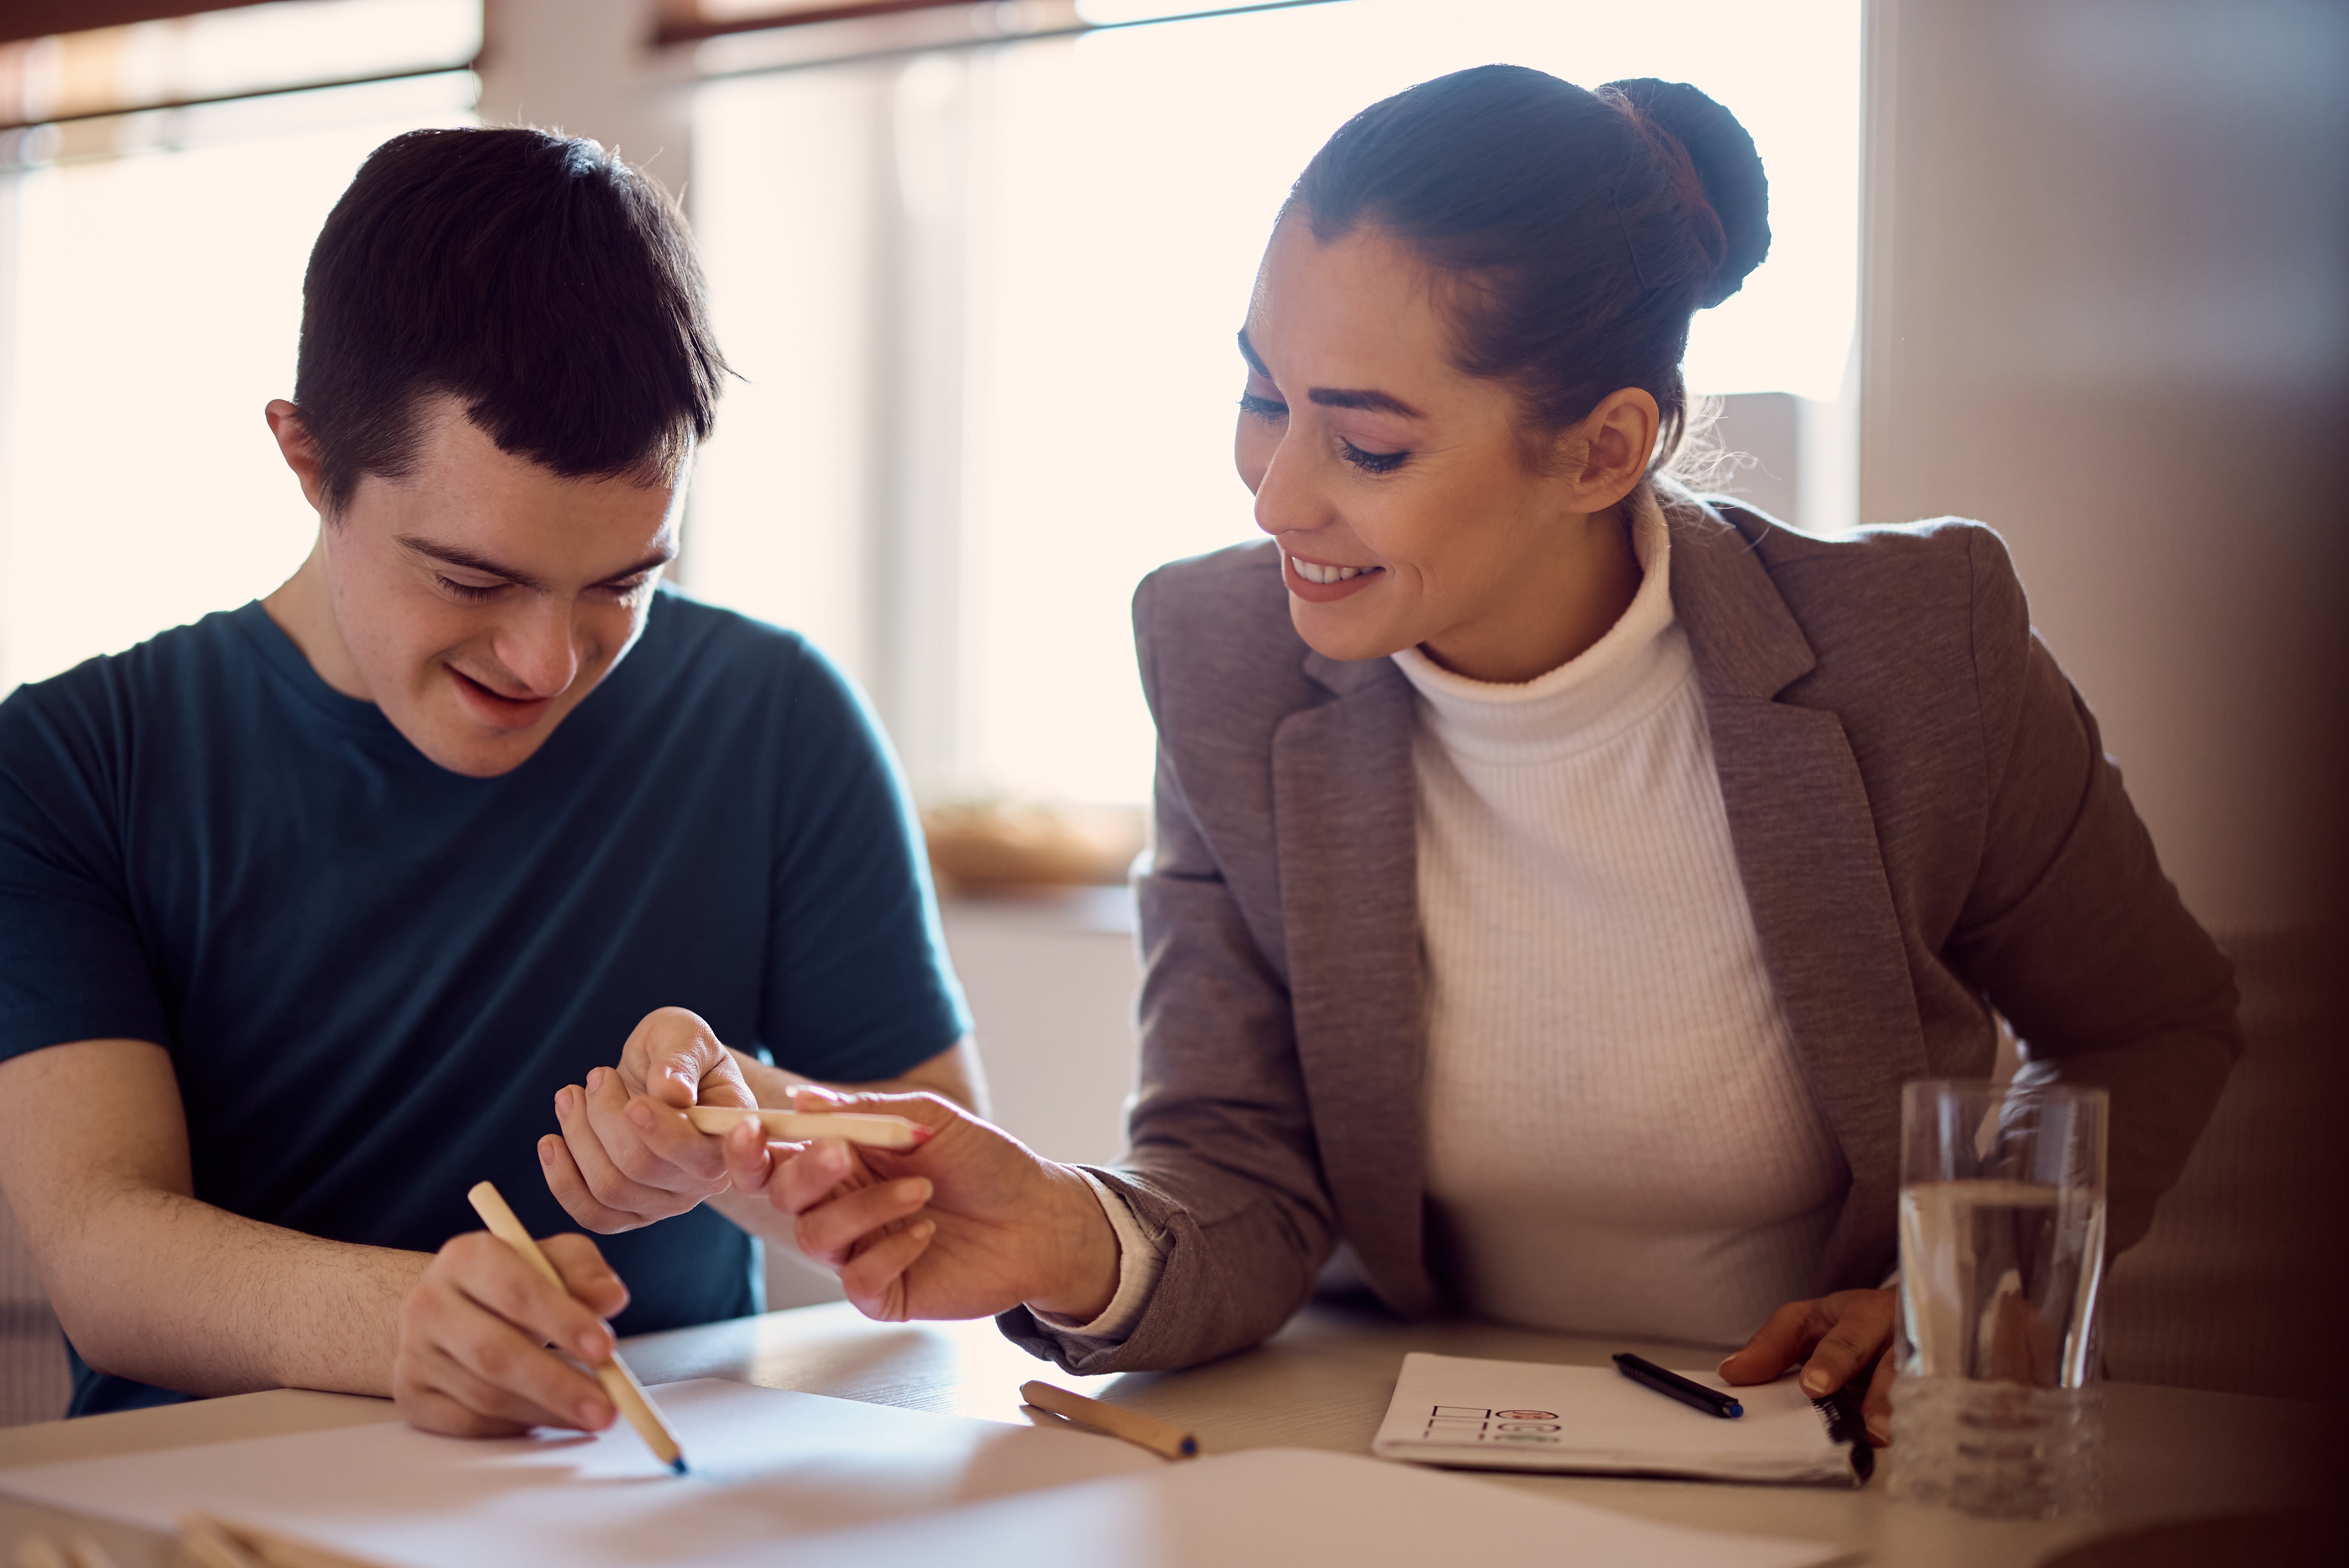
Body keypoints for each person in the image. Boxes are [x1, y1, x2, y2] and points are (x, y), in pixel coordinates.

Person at [642, 65, 2240, 1443]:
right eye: (1263, 395)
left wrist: (1962, 1294)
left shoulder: (1920, 648)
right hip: (1401, 1458)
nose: (1276, 495)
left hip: (1820, 1463)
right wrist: (1075, 1239)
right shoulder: (1218, 660)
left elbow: (2147, 1022)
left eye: (1372, 442)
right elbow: (1234, 1168)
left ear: (1607, 447)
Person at [0, 127, 979, 1438]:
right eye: (472, 581)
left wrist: (748, 1145)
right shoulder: (71, 766)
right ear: (308, 461)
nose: (548, 662)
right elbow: (105, 1258)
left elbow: (941, 1174)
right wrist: (408, 1321)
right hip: (213, 1513)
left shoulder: (774, 718)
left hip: (649, 1509)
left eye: (622, 584)